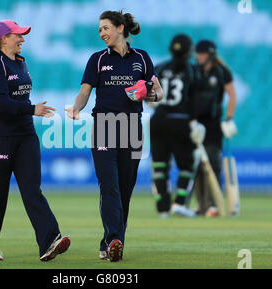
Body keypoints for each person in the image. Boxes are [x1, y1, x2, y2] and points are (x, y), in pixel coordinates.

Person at [65, 10, 163, 262]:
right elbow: (85, 92)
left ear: (120, 28)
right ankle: (114, 241)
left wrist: (147, 93)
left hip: (132, 127)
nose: (102, 33)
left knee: (125, 188)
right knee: (109, 185)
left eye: (106, 28)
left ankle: (111, 240)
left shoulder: (142, 57)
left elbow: (158, 92)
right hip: (104, 126)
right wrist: (76, 107)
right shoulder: (97, 59)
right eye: (100, 30)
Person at [0, 20, 70, 262]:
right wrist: (31, 109)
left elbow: (17, 100)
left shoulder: (21, 63)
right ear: (4, 38)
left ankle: (50, 241)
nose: (22, 39)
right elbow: (0, 103)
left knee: (32, 190)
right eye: (18, 35)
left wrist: (29, 112)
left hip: (26, 136)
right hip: (2, 138)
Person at [149, 34, 206, 218]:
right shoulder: (193, 70)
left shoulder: (159, 67)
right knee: (188, 164)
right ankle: (179, 203)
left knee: (159, 165)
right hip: (180, 120)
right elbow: (196, 100)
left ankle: (162, 208)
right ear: (189, 51)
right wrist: (195, 122)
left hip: (158, 119)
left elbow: (148, 96)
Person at [193, 39, 237, 217]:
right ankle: (201, 205)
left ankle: (214, 204)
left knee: (213, 162)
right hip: (194, 124)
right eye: (197, 54)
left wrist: (229, 119)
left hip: (212, 124)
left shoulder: (221, 72)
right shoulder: (193, 71)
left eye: (202, 54)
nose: (199, 57)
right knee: (196, 165)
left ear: (210, 54)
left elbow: (232, 96)